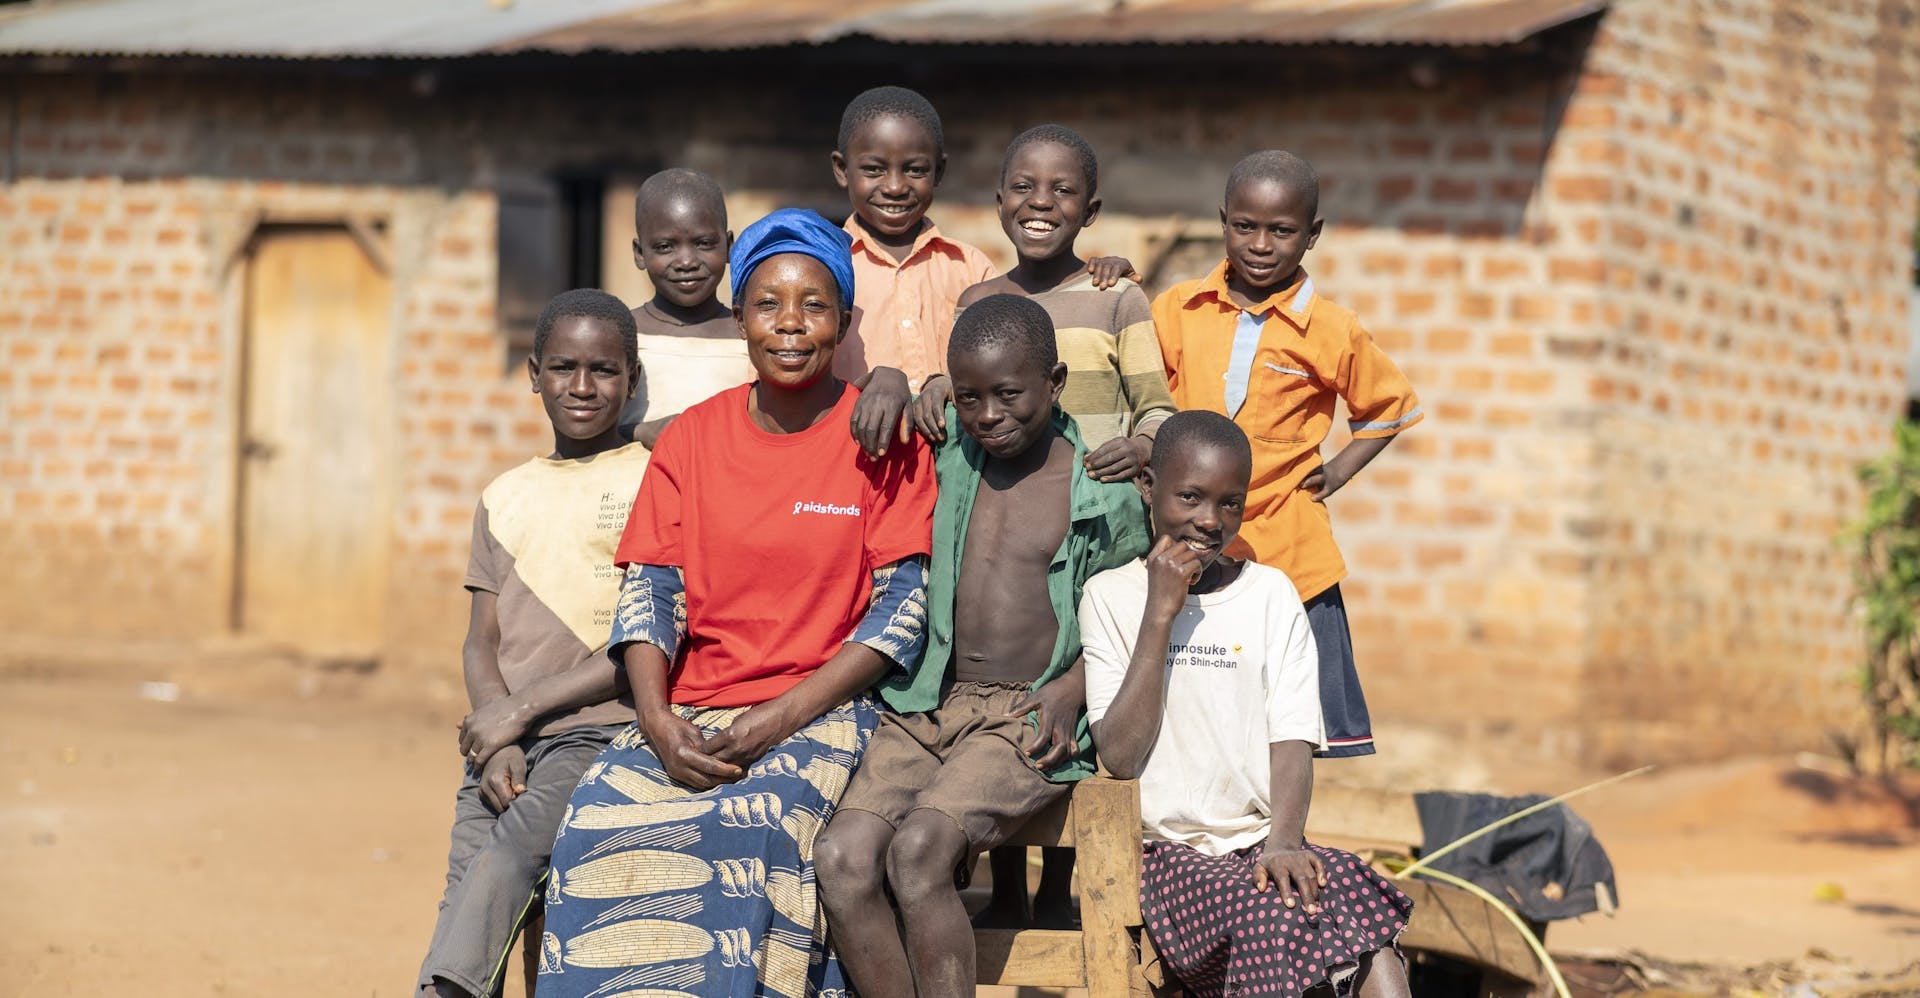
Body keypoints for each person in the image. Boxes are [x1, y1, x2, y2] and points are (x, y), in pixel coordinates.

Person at [537, 209, 938, 998]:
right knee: (589, 829)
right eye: (767, 304)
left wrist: (778, 718)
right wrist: (655, 722)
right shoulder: (692, 438)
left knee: (743, 835)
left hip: (824, 711)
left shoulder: (883, 442)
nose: (790, 326)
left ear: (845, 321)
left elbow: (900, 616)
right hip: (693, 710)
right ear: (741, 319)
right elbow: (650, 594)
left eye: (814, 306)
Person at [815, 294, 1151, 998]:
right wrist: (899, 385)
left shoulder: (1101, 488)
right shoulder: (948, 460)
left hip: (1029, 715)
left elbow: (1136, 612)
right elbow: (886, 424)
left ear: (1055, 384)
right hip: (928, 704)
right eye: (968, 397)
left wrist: (1076, 685)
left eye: (1008, 395)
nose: (989, 415)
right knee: (843, 858)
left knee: (918, 852)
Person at [917, 122, 1177, 927]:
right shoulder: (978, 300)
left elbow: (1160, 405)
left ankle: (1061, 892)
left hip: (1097, 522)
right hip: (1008, 512)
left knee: (1068, 675)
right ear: (997, 202)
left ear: (1090, 209)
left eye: (1063, 191)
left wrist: (1139, 446)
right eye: (1025, 188)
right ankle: (1004, 891)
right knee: (1014, 677)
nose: (1041, 203)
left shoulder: (1115, 296)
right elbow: (963, 389)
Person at [1081, 410, 1414, 998]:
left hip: (1264, 842)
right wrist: (1161, 613)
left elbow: (1291, 736)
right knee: (1278, 916)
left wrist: (1286, 841)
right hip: (1168, 861)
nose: (1210, 521)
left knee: (1364, 920)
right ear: (1147, 487)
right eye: (1190, 497)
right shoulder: (1110, 597)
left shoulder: (1270, 594)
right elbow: (1122, 753)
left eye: (1230, 503)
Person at [1151, 150, 1423, 759]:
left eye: (1283, 230)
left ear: (1313, 235)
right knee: (1198, 693)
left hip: (1285, 538)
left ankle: (1282, 828)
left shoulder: (1331, 328)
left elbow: (1389, 408)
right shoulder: (1177, 309)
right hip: (1189, 536)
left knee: (1293, 706)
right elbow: (1145, 394)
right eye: (1246, 226)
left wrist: (1337, 471)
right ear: (1223, 222)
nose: (1262, 245)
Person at [418, 288, 649, 998]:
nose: (582, 387)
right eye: (563, 368)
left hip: (595, 735)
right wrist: (499, 729)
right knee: (465, 886)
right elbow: (479, 641)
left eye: (604, 371)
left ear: (633, 380)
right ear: (533, 373)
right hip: (503, 739)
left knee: (513, 853)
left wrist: (520, 716)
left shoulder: (651, 481)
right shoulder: (504, 496)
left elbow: (641, 639)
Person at [830, 89, 1136, 460]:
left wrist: (1102, 273)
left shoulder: (972, 270)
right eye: (874, 169)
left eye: (915, 170)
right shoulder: (827, 269)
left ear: (938, 171)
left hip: (954, 467)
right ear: (841, 169)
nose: (895, 186)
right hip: (849, 458)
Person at [617, 167, 751, 449]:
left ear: (728, 246)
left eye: (703, 243)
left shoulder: (749, 338)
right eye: (665, 247)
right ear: (640, 253)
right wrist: (640, 433)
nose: (687, 261)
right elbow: (590, 434)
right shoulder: (620, 335)